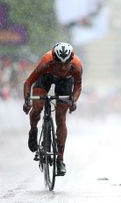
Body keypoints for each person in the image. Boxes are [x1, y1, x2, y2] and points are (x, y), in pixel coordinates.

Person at [23, 42, 83, 176]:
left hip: (65, 81)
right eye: (59, 63)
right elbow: (28, 82)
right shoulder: (46, 61)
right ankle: (33, 129)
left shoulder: (76, 66)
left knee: (61, 117)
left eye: (65, 63)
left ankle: (60, 159)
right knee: (37, 106)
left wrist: (73, 100)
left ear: (71, 60)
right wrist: (27, 100)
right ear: (53, 60)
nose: (62, 67)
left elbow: (78, 86)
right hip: (46, 76)